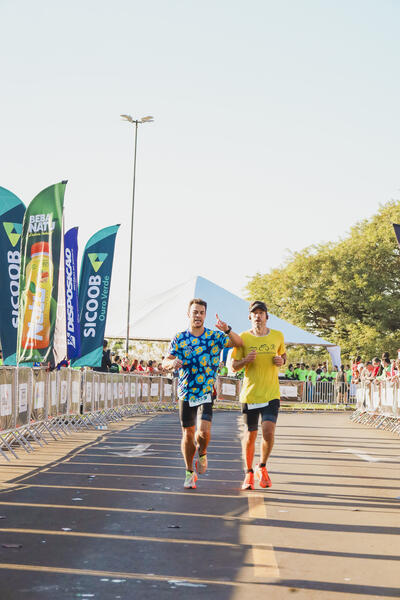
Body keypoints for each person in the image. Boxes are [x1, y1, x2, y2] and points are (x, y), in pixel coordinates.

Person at [162, 298, 243, 489]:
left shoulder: (214, 337)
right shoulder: (179, 338)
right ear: (188, 314)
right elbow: (165, 362)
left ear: (205, 315)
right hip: (186, 392)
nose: (198, 315)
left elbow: (238, 342)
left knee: (203, 432)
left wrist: (227, 329)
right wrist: (171, 364)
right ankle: (189, 472)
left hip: (206, 391)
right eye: (195, 312)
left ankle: (203, 452)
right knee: (188, 434)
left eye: (201, 312)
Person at [231, 301, 286, 491]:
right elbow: (233, 366)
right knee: (250, 435)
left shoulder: (278, 336)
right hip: (251, 394)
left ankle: (262, 466)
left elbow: (284, 356)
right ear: (249, 317)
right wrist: (246, 360)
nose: (258, 316)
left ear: (266, 316)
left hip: (271, 393)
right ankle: (248, 472)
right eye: (254, 313)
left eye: (261, 313)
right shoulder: (243, 338)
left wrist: (281, 360)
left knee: (269, 432)